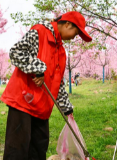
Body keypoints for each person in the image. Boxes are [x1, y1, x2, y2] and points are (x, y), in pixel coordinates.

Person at [0, 11, 92, 160]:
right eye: (75, 34)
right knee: (17, 150)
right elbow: (16, 52)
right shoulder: (39, 32)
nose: (74, 38)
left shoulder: (61, 51)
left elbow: (58, 82)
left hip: (42, 106)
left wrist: (66, 107)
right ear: (67, 24)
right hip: (23, 102)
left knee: (38, 149)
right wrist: (38, 68)